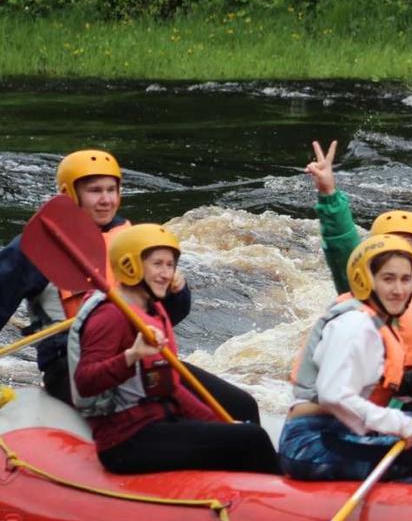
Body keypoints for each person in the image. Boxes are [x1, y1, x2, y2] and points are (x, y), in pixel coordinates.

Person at [0, 149, 261, 422]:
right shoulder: (35, 247)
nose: (106, 200)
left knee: (241, 406)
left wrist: (176, 293)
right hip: (75, 369)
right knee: (169, 415)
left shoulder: (133, 240)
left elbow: (166, 317)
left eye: (112, 190)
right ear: (68, 194)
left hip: (139, 356)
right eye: (95, 191)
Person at [67, 224, 279, 475]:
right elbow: (85, 381)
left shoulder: (154, 312)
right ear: (130, 265)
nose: (166, 274)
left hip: (158, 422)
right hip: (126, 442)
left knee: (244, 431)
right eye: (157, 264)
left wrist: (221, 423)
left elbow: (172, 389)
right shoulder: (109, 316)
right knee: (252, 439)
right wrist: (131, 356)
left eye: (170, 265)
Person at [306, 140, 412, 429]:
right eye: (392, 248)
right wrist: (329, 194)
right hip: (396, 403)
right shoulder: (368, 293)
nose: (401, 256)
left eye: (409, 247)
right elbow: (344, 249)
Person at [279, 235, 412, 485]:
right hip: (312, 442)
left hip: (339, 432)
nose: (399, 290)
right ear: (366, 280)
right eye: (388, 279)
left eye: (406, 279)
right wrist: (396, 423)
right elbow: (333, 395)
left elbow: (388, 386)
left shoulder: (377, 322)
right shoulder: (354, 324)